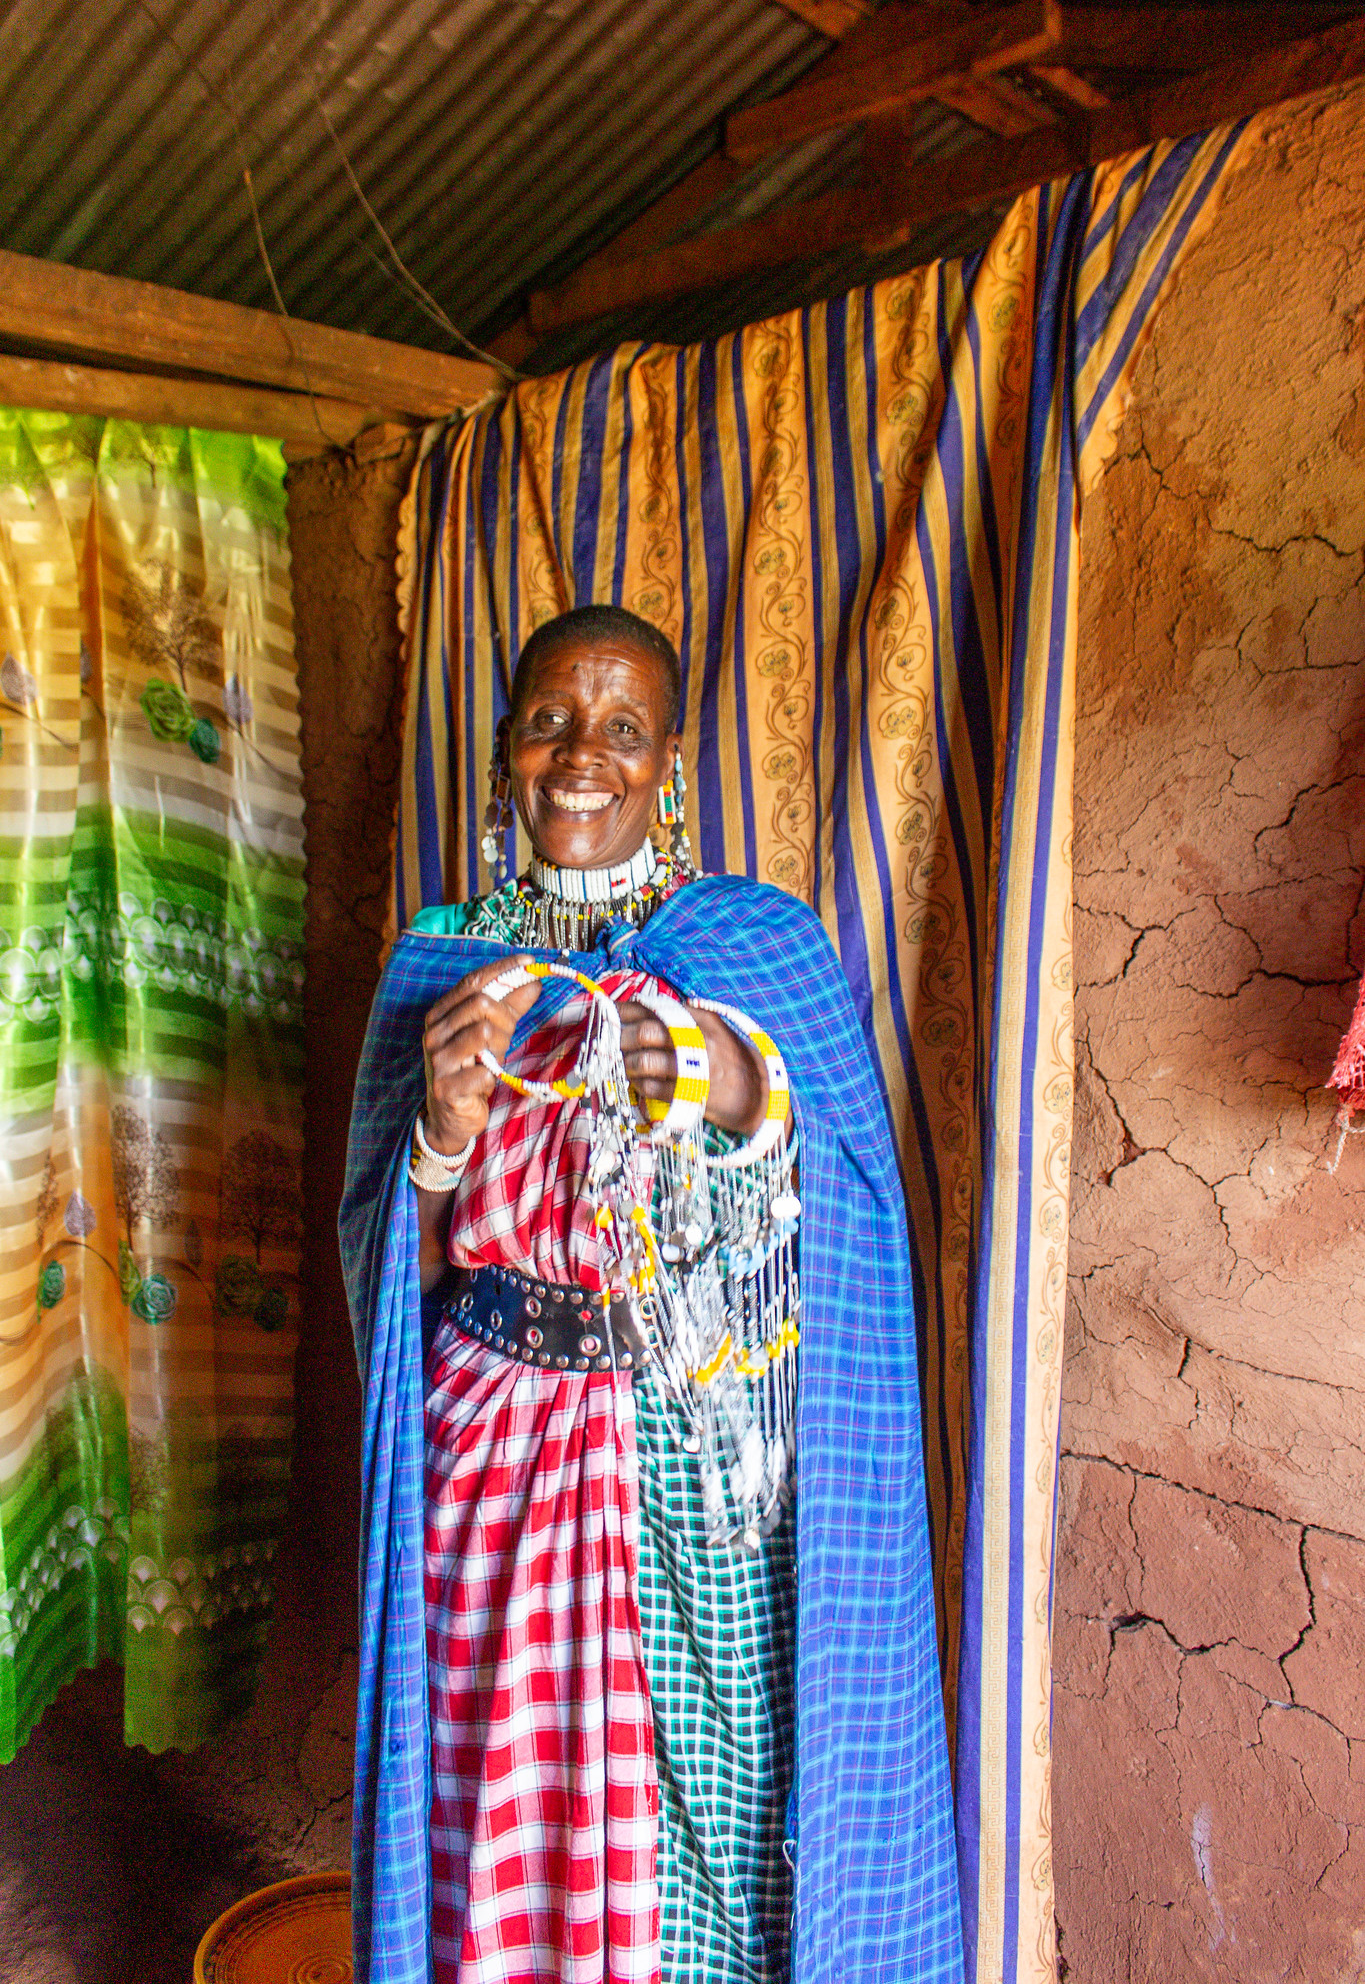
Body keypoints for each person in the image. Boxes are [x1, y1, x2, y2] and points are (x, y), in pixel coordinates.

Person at [341, 606, 963, 1984]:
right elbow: (400, 1275)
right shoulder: (438, 961)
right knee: (497, 1794)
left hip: (692, 1457)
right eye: (550, 723)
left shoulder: (753, 944)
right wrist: (439, 1132)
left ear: (668, 763)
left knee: (719, 1827)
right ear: (504, 751)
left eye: (622, 728)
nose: (583, 758)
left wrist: (723, 1081)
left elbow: (846, 1193)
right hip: (492, 1459)